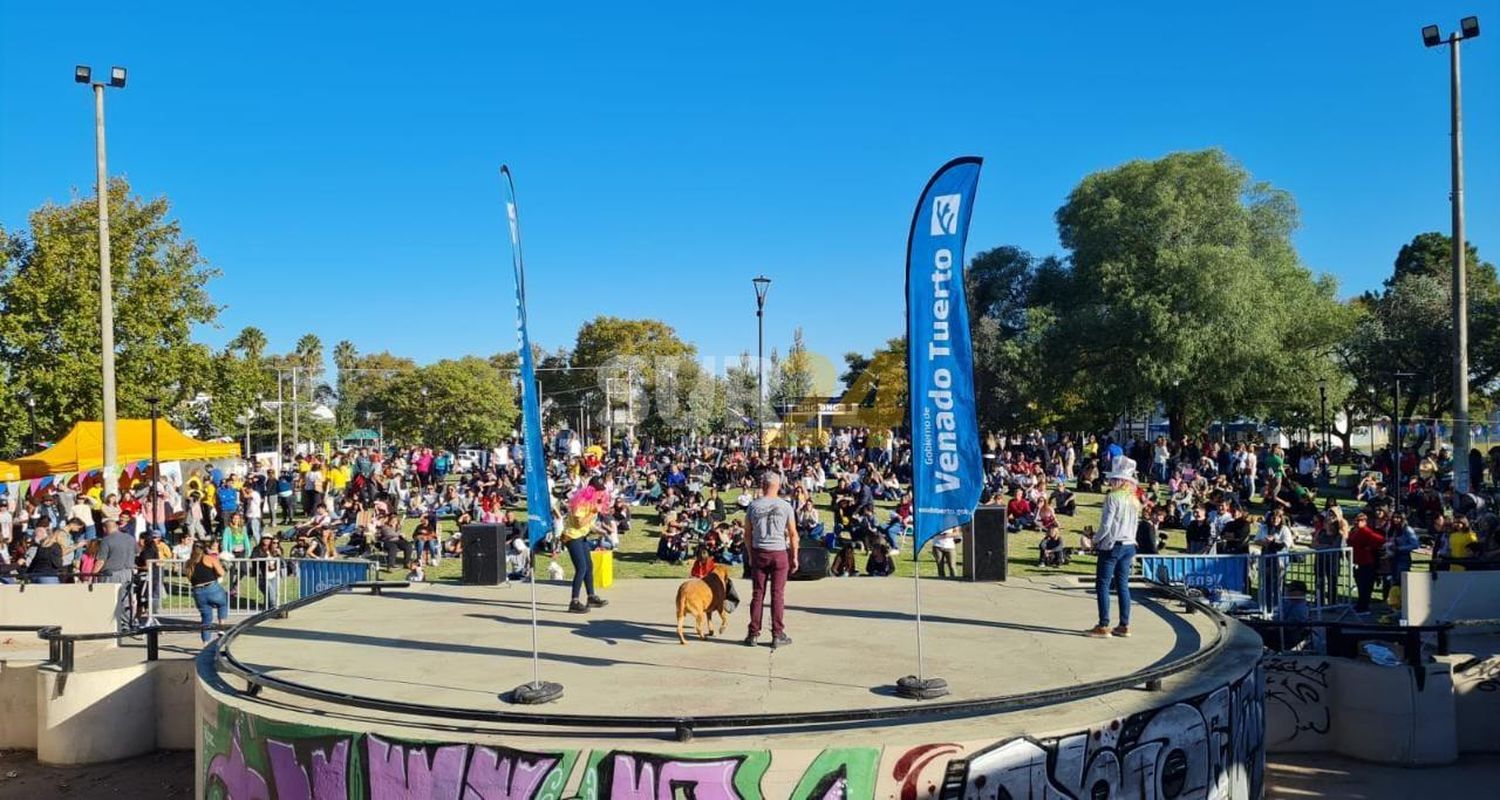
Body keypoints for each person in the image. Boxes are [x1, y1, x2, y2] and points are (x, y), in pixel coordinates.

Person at [744, 471, 797, 648]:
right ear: (778, 485)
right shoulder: (785, 506)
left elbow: (747, 534)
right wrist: (794, 556)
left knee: (758, 593)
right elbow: (793, 534)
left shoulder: (753, 506)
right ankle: (777, 633)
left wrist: (751, 555)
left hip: (760, 551)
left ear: (762, 485)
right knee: (778, 594)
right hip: (778, 552)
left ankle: (753, 633)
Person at [1089, 457, 1141, 638]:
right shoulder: (1134, 499)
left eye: (1113, 479)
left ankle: (1104, 624)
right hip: (1129, 544)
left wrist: (1094, 540)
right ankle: (1124, 624)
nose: (1110, 481)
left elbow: (1106, 525)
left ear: (1118, 481)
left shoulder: (1112, 497)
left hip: (1113, 545)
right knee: (1122, 585)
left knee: (1102, 584)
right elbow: (1135, 524)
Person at [561, 477, 610, 613]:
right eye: (598, 491)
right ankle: (574, 601)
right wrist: (594, 511)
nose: (600, 494)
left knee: (589, 566)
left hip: (581, 536)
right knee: (581, 567)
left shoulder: (592, 503)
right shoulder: (581, 503)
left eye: (601, 491)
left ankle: (591, 597)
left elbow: (588, 524)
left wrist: (601, 531)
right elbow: (579, 523)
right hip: (572, 536)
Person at [186, 540, 229, 643]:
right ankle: (221, 626)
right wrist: (215, 575)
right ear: (205, 548)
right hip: (211, 587)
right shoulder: (209, 558)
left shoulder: (189, 562)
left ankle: (205, 642)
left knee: (206, 618)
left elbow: (189, 578)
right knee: (222, 604)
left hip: (198, 591)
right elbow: (221, 572)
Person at [1348, 512, 1386, 613]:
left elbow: (1380, 540)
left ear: (1365, 521)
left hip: (1366, 561)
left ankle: (1364, 606)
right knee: (1359, 584)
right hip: (1356, 561)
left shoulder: (1366, 531)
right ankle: (1360, 604)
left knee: (1365, 585)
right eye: (1356, 520)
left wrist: (1370, 547)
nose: (1357, 522)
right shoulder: (1354, 531)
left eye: (1360, 520)